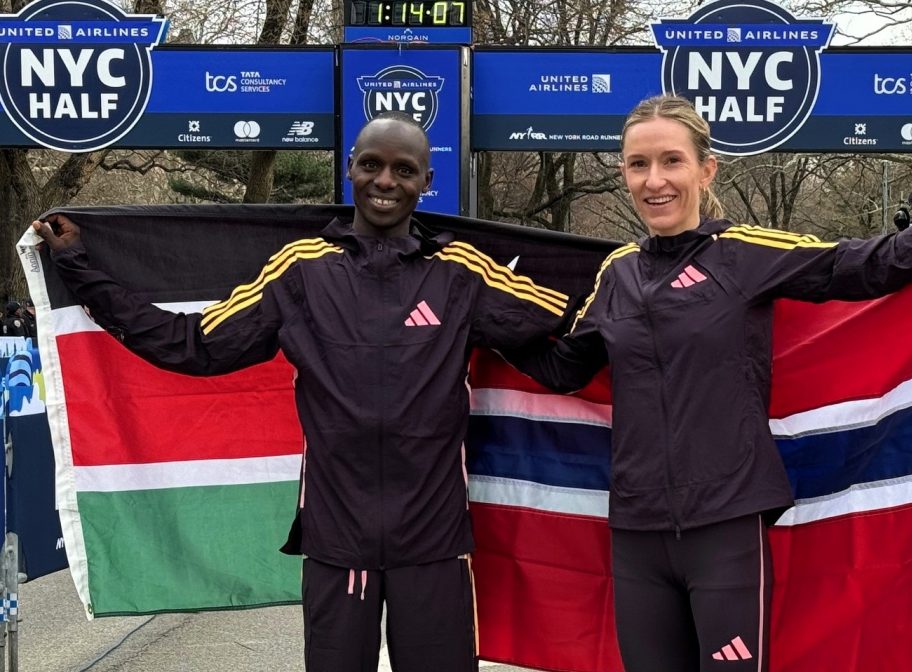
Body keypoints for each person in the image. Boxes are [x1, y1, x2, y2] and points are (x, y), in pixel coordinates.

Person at [505, 95, 912, 672]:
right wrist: (480, 311)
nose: (654, 180)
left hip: (726, 529)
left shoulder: (745, 254)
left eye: (671, 161)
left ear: (705, 170)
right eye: (638, 164)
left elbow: (877, 264)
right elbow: (564, 368)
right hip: (636, 530)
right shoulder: (618, 273)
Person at [34, 112, 570, 672]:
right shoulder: (301, 270)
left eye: (404, 170)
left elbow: (569, 328)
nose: (386, 181)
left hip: (433, 541)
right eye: (371, 165)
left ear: (426, 181)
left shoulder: (461, 272)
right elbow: (192, 345)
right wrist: (79, 267)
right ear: (349, 170)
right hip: (337, 542)